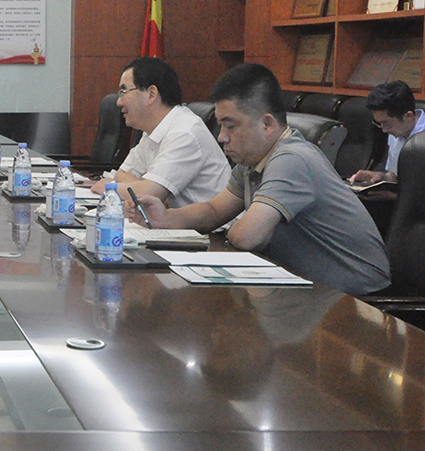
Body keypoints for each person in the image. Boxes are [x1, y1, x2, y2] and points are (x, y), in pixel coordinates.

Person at [127, 63, 390, 296]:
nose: (221, 137)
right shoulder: (253, 159)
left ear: (267, 124)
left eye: (230, 126)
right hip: (310, 291)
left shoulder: (291, 158)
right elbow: (215, 210)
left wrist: (233, 232)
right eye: (221, 125)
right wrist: (165, 218)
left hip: (356, 300)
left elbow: (247, 237)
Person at [91, 57, 230, 208]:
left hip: (209, 223)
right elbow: (122, 174)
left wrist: (110, 187)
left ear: (151, 94)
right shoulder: (152, 130)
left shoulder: (184, 132)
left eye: (124, 92)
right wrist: (144, 188)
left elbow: (149, 194)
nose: (119, 102)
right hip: (173, 219)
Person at [348, 80, 425, 185]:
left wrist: (395, 193)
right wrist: (382, 177)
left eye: (387, 124)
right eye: (380, 124)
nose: (384, 130)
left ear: (408, 116)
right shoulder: (397, 130)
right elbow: (397, 176)